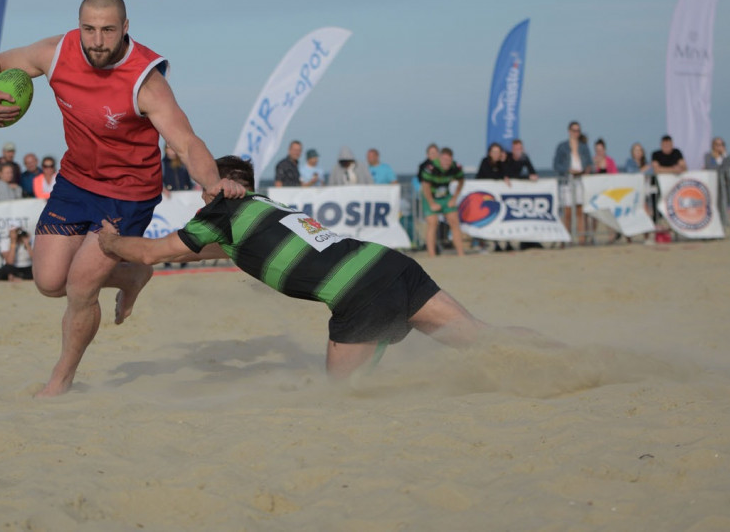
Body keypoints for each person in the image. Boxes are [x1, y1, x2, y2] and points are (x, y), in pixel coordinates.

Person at [0, 0, 244, 396]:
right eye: (89, 29)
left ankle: (60, 381)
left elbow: (186, 143)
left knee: (81, 285)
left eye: (107, 30)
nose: (97, 41)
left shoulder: (146, 81)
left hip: (128, 193)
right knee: (48, 281)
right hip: (75, 182)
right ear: (79, 25)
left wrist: (212, 182)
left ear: (125, 29)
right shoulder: (56, 52)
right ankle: (135, 270)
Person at [98, 156, 550, 380]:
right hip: (389, 265)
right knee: (484, 337)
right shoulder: (263, 209)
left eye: (204, 186)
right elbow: (186, 253)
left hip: (359, 294)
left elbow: (153, 252)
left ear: (219, 186)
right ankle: (566, 357)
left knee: (343, 396)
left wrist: (110, 241)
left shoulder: (222, 212)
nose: (200, 195)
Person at [420, 147, 466, 257]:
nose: (446, 163)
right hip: (430, 196)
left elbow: (461, 181)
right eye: (444, 160)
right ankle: (432, 255)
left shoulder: (456, 167)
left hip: (445, 196)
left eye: (449, 160)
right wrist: (431, 203)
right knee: (433, 222)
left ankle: (461, 254)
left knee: (454, 221)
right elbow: (425, 187)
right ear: (439, 158)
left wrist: (454, 198)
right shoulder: (430, 168)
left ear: (452, 160)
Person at [552, 121, 592, 241]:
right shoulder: (562, 146)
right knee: (567, 212)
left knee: (580, 211)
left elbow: (589, 163)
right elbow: (556, 165)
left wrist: (586, 170)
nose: (576, 133)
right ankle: (566, 238)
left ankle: (581, 239)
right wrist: (568, 170)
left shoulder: (584, 147)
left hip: (580, 180)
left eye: (578, 131)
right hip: (567, 180)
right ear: (569, 131)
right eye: (574, 130)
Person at [703, 137, 730, 230]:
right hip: (712, 185)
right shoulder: (708, 156)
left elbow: (727, 168)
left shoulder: (726, 156)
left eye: (721, 145)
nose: (719, 147)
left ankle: (724, 223)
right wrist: (717, 159)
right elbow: (711, 168)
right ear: (713, 146)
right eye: (717, 145)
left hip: (724, 186)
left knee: (724, 204)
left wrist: (723, 155)